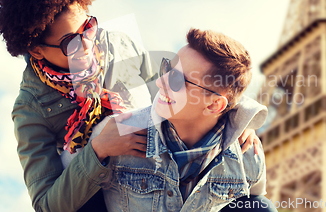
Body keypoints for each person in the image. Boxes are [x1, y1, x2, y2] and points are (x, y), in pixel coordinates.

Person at [0, 0, 260, 212]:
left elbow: (183, 79)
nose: (88, 44)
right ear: (36, 49)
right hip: (100, 195)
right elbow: (46, 204)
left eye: (88, 27)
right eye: (70, 42)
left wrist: (235, 119)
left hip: (158, 176)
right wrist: (98, 149)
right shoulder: (30, 108)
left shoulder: (117, 44)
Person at [64, 29, 277, 212]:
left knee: (259, 207)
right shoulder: (116, 134)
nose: (160, 82)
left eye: (176, 79)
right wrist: (96, 151)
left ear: (214, 105)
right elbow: (64, 199)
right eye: (166, 68)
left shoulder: (248, 155)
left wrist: (243, 122)